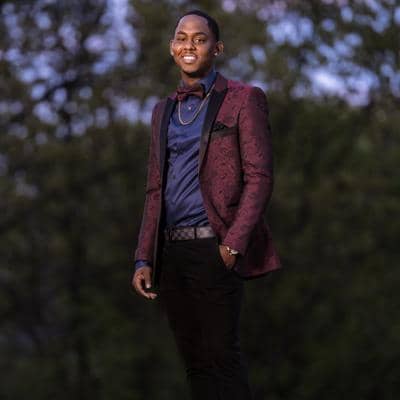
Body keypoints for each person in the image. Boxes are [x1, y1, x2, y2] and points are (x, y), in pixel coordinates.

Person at [131, 9, 281, 400]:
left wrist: (233, 245)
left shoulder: (243, 99)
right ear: (171, 47)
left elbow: (260, 178)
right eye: (182, 38)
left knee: (221, 358)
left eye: (200, 39)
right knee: (195, 363)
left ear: (217, 48)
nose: (190, 46)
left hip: (215, 247)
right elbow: (154, 189)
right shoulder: (162, 110)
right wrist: (143, 257)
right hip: (171, 252)